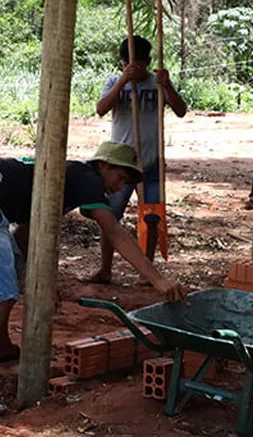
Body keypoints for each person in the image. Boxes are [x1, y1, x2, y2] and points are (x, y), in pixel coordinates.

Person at [0, 141, 189, 418]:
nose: (120, 188)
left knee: (9, 277)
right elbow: (114, 231)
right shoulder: (87, 178)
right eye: (120, 178)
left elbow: (26, 228)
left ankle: (0, 346)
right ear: (104, 166)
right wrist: (158, 280)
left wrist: (32, 276)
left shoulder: (65, 178)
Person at [88, 35, 188, 284]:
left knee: (152, 217)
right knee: (109, 217)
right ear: (123, 63)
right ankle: (105, 270)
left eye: (142, 64)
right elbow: (101, 109)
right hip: (119, 165)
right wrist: (123, 80)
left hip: (150, 163)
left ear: (149, 61)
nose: (138, 70)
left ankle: (147, 273)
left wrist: (168, 86)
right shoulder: (115, 82)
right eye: (132, 65)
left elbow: (181, 110)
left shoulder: (158, 83)